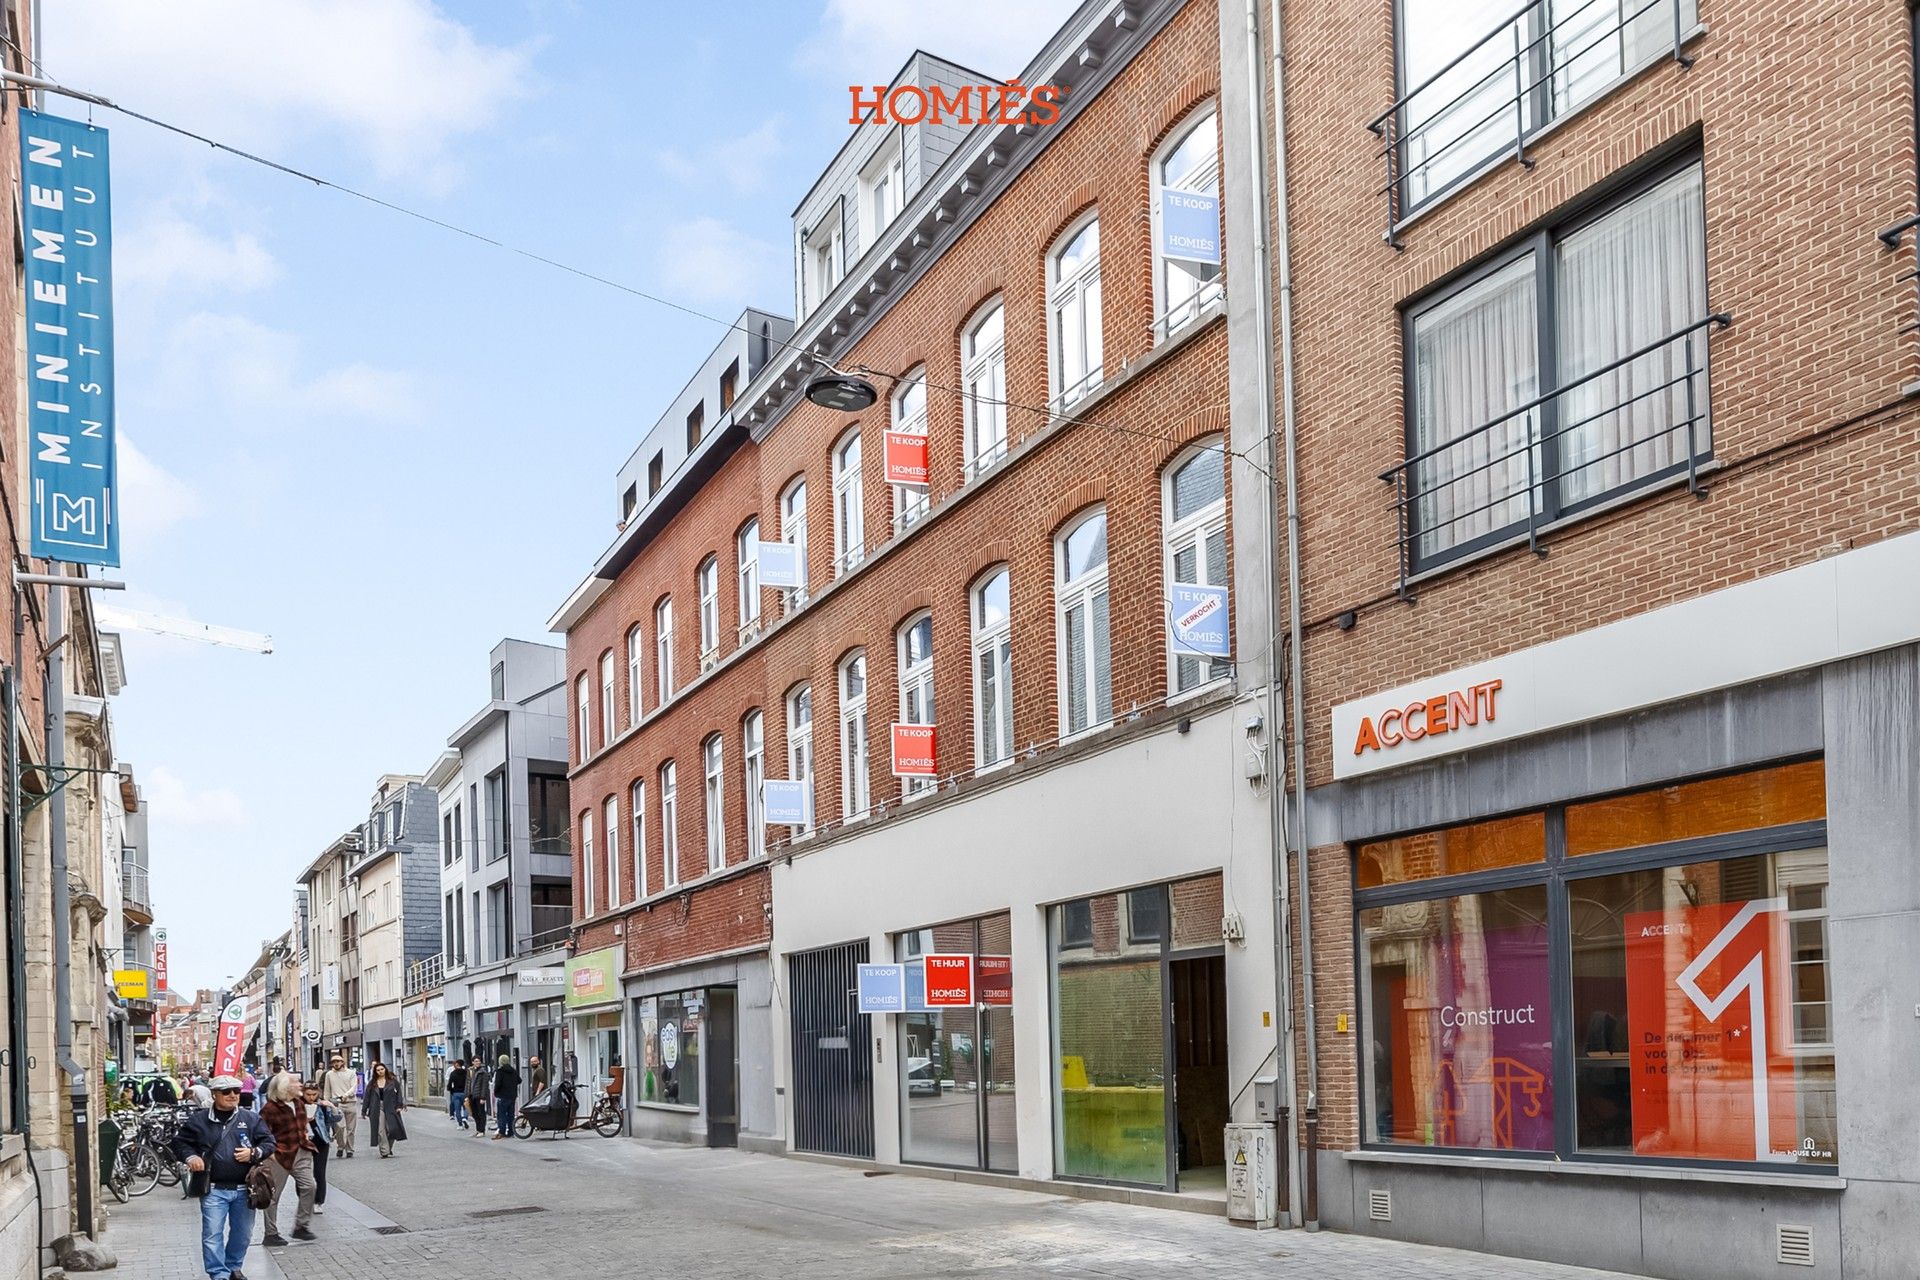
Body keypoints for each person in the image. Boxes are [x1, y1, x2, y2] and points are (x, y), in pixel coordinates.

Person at [171, 1075, 274, 1280]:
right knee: (212, 1234)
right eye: (226, 1092)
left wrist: (254, 1153)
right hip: (214, 1189)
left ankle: (233, 1266)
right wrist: (191, 1157)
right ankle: (219, 1274)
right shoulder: (199, 1120)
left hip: (244, 1189)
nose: (233, 1095)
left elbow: (269, 1142)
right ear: (214, 1094)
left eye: (236, 1091)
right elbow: (180, 1143)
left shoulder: (250, 1118)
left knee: (243, 1234)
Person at [259, 1073, 317, 1247]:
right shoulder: (270, 1109)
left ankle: (301, 1226)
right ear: (285, 1087)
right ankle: (271, 1233)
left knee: (310, 1186)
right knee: (273, 1195)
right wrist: (269, 1153)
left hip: (301, 1151)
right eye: (296, 1082)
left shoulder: (299, 1103)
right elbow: (262, 1133)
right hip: (280, 1155)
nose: (300, 1085)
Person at [301, 1080, 338, 1214]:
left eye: (314, 1094)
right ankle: (304, 1200)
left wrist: (332, 1107)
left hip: (321, 1141)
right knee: (302, 1173)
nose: (311, 1097)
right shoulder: (297, 1105)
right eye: (308, 1094)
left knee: (319, 1172)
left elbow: (335, 1118)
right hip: (302, 1142)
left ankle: (318, 1201)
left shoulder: (321, 1105)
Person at [319, 1055, 359, 1159]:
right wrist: (326, 1102)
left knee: (351, 1129)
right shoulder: (329, 1074)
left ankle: (350, 1149)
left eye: (338, 1061)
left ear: (342, 1062)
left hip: (350, 1102)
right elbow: (327, 1090)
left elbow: (354, 1087)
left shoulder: (351, 1073)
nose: (336, 1063)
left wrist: (345, 1095)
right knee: (339, 1128)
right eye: (333, 1062)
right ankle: (340, 1146)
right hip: (336, 1104)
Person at [364, 1062, 407, 1157]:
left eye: (382, 1069)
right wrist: (364, 1110)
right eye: (378, 1070)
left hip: (391, 1106)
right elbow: (367, 1097)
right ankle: (384, 1151)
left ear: (385, 1069)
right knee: (380, 1130)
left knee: (392, 1129)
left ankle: (388, 1148)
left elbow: (399, 1093)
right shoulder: (372, 1083)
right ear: (375, 1072)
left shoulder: (392, 1081)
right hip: (377, 1107)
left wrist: (400, 1106)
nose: (380, 1072)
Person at [491, 1054, 522, 1140]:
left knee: (501, 1115)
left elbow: (498, 1084)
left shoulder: (500, 1071)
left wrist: (496, 1092)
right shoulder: (513, 1070)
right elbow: (519, 1080)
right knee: (511, 1114)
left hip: (502, 1096)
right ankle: (511, 1132)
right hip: (512, 1096)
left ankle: (502, 1132)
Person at [466, 1057, 490, 1136]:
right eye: (476, 1061)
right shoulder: (470, 1071)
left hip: (479, 1095)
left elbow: (484, 1086)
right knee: (474, 1113)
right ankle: (478, 1129)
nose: (478, 1062)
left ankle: (482, 1130)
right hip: (471, 1095)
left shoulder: (483, 1072)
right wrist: (467, 1095)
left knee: (481, 1113)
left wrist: (483, 1097)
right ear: (472, 1062)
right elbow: (468, 1084)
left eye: (479, 1061)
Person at [446, 1059, 469, 1128]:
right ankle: (465, 1117)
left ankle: (460, 1125)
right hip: (464, 1092)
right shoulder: (466, 1072)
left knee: (457, 1109)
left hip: (456, 1093)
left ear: (457, 1064)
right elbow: (469, 1082)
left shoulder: (453, 1073)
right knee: (466, 1107)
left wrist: (450, 1090)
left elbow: (450, 1084)